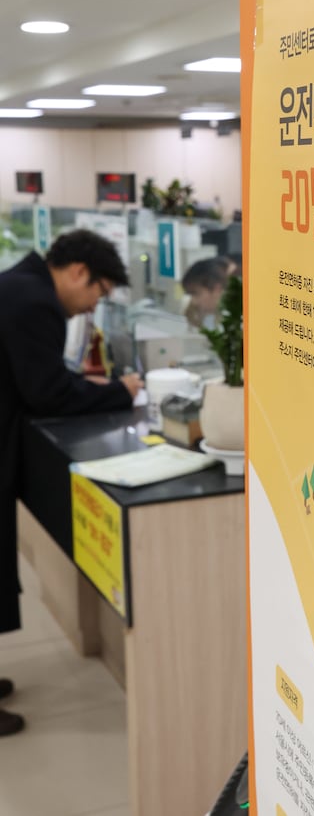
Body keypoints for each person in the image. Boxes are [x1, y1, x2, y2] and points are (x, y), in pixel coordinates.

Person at [0, 229, 143, 736]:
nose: (91, 308)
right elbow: (47, 394)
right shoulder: (36, 301)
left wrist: (84, 385)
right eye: (97, 294)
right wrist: (121, 392)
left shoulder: (20, 285)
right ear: (79, 272)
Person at [181, 256, 231, 328]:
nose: (194, 301)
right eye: (191, 295)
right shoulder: (209, 314)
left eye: (196, 294)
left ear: (216, 289)